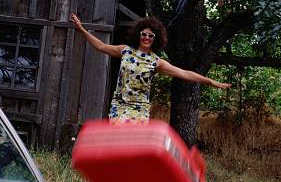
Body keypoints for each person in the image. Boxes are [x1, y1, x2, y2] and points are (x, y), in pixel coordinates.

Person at [69, 13, 230, 122]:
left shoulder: (156, 62)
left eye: (150, 35)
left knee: (132, 145)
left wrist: (210, 81)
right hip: (119, 105)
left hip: (138, 109)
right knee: (118, 143)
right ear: (138, 34)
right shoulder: (125, 51)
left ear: (155, 38)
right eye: (144, 34)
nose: (146, 37)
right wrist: (81, 29)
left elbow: (183, 73)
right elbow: (101, 46)